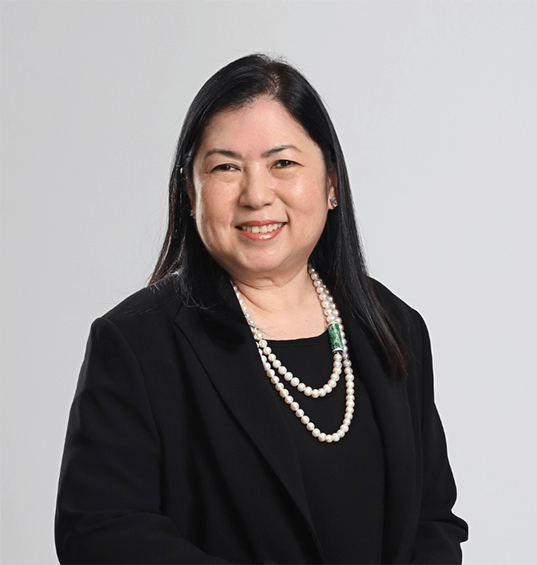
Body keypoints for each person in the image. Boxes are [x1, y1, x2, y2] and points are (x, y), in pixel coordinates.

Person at [55, 54, 468, 565]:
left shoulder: (393, 325)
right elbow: (101, 533)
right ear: (190, 192)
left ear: (331, 184)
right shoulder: (137, 342)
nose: (256, 195)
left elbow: (432, 519)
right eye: (225, 167)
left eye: (283, 164)